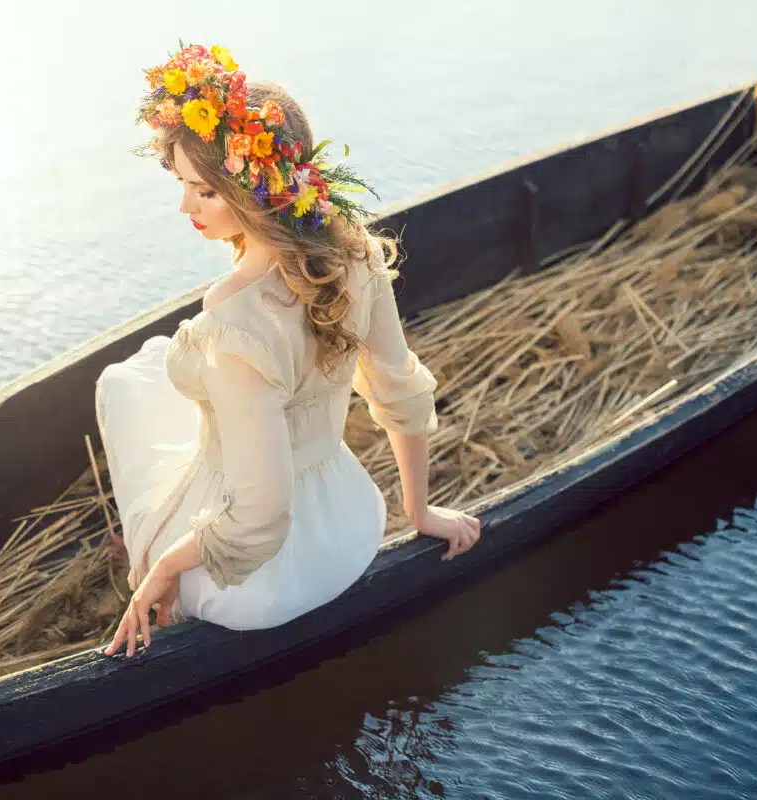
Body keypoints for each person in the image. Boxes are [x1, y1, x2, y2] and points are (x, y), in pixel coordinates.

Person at [97, 43, 481, 658]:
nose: (184, 207)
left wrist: (165, 567)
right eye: (183, 186)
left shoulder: (234, 318)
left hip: (258, 587)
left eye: (205, 193)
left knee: (122, 385)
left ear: (253, 192)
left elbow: (260, 518)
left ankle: (138, 549)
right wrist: (419, 510)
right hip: (350, 532)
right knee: (147, 373)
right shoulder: (355, 254)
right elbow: (400, 389)